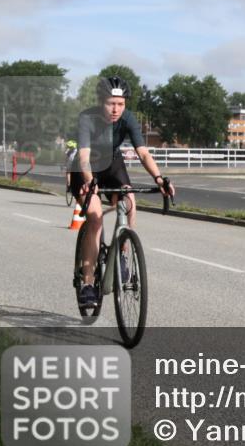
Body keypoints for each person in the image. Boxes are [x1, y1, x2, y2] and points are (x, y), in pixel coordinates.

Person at [70, 76, 176, 307]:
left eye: (121, 104)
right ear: (101, 101)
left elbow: (143, 153)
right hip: (86, 169)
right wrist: (90, 181)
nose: (116, 109)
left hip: (112, 163)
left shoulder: (127, 118)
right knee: (95, 218)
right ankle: (88, 283)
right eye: (111, 103)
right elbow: (84, 156)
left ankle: (123, 254)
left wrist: (158, 178)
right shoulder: (87, 118)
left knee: (129, 200)